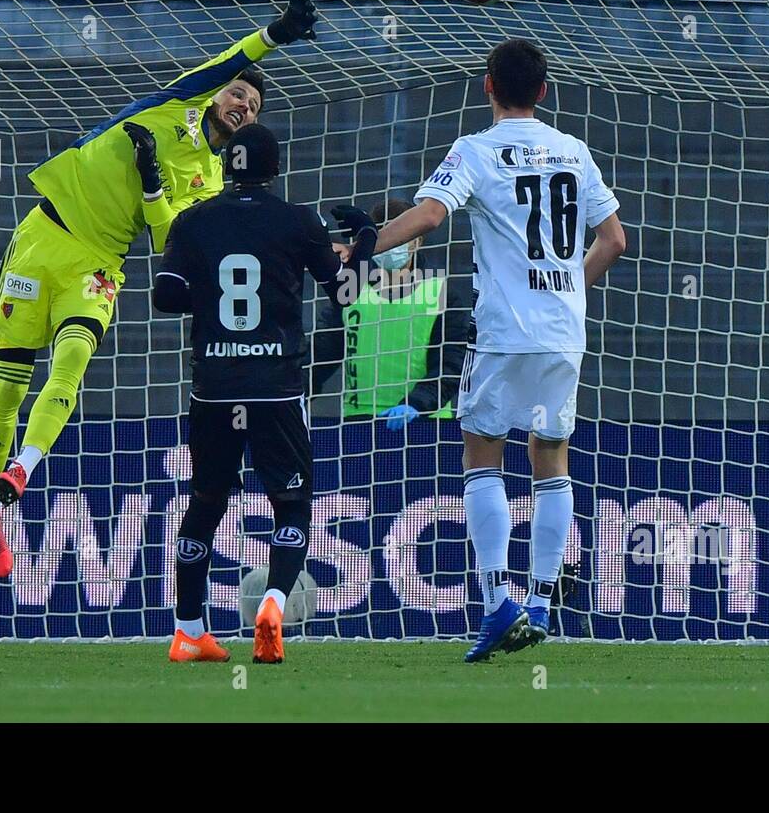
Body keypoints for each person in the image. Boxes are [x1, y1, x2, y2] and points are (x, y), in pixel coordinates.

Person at [0, 0, 318, 579]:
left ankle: (23, 468)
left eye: (254, 106)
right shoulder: (179, 103)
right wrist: (276, 33)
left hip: (99, 262)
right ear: (220, 93)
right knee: (8, 385)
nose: (244, 106)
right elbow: (229, 59)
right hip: (43, 235)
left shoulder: (211, 183)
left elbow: (170, 245)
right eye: (240, 94)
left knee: (73, 356)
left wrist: (153, 184)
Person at [353, 39, 628, 662]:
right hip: (563, 331)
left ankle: (496, 602)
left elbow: (426, 217)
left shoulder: (474, 150)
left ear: (486, 86)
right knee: (550, 457)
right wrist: (566, 292)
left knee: (483, 457)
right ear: (545, 91)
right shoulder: (574, 150)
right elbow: (614, 239)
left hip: (502, 329)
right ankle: (540, 602)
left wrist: (363, 245)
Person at [152, 123, 377, 664]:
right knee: (291, 505)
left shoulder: (192, 221)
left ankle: (189, 631)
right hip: (275, 387)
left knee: (206, 501)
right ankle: (274, 603)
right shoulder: (296, 220)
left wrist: (207, 293)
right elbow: (346, 294)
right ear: (275, 170)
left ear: (226, 166)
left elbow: (166, 298)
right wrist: (365, 237)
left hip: (214, 387)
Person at [311, 198, 468, 428]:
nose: (392, 244)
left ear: (418, 242)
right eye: (383, 238)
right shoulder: (351, 291)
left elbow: (452, 363)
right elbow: (320, 355)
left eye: (401, 237)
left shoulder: (440, 293)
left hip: (426, 424)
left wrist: (416, 403)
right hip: (359, 422)